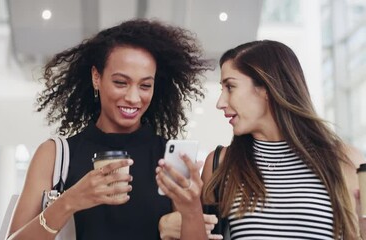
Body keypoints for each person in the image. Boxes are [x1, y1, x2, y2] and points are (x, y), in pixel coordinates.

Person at [6, 19, 215, 240]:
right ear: (97, 77)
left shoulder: (169, 159)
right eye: (120, 82)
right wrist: (69, 201)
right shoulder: (55, 155)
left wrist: (191, 210)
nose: (134, 98)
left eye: (145, 85)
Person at [156, 40, 366, 239]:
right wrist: (189, 209)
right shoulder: (220, 164)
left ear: (266, 87)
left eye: (230, 87)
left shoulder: (344, 160)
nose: (220, 102)